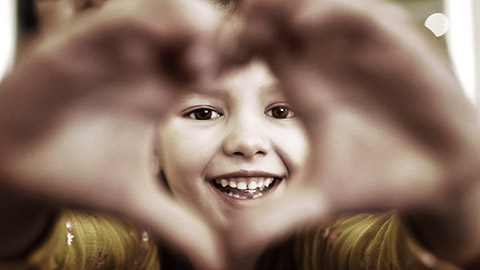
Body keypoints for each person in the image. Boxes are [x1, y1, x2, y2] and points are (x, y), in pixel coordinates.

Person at [0, 0, 479, 269]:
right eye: (204, 112)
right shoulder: (128, 245)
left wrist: (457, 211)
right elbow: (57, 253)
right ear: (151, 144)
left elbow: (395, 255)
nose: (246, 140)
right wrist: (12, 204)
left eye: (283, 110)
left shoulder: (331, 245)